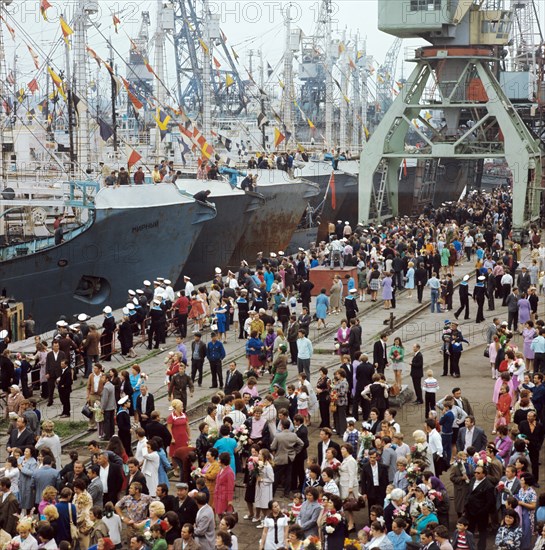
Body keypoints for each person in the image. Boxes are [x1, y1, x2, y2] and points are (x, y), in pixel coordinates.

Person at [464, 464, 496, 550]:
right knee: (469, 531)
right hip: (470, 511)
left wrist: (482, 511)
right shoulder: (473, 480)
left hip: (481, 513)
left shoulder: (489, 486)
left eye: (478, 473)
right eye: (475, 472)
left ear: (484, 474)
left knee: (482, 533)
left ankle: (481, 548)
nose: (476, 474)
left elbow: (490, 502)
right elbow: (469, 492)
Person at [361, 448, 389, 519]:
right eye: (371, 457)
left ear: (377, 457)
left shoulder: (383, 467)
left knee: (380, 508)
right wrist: (364, 493)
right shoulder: (365, 467)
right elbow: (363, 481)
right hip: (371, 490)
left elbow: (386, 480)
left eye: (374, 457)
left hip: (380, 490)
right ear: (368, 457)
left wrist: (387, 491)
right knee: (371, 508)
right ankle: (372, 524)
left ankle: (381, 523)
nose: (372, 459)